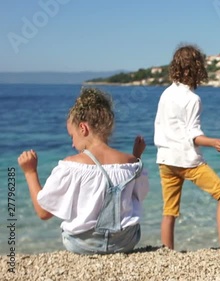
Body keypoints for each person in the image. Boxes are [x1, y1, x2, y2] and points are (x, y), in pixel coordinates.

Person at [17, 87, 149, 255]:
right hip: (125, 242)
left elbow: (43, 212)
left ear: (83, 129)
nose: (73, 144)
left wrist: (30, 172)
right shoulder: (131, 163)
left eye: (72, 136)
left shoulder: (72, 166)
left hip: (83, 245)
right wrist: (137, 156)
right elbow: (139, 195)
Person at [154, 44, 220, 250]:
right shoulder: (192, 99)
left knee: (169, 211)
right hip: (187, 160)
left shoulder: (166, 94)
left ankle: (166, 251)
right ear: (196, 69)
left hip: (164, 159)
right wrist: (213, 142)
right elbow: (193, 135)